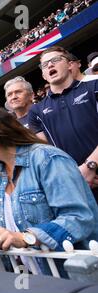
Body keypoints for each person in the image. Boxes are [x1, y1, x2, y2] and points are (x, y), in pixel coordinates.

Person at [0, 107, 98, 274]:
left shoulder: (48, 159)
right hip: (28, 275)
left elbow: (78, 217)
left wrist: (26, 237)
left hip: (72, 273)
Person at [28, 46, 98, 202]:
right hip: (76, 185)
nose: (50, 65)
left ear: (69, 64)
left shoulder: (95, 87)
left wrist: (90, 166)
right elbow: (46, 154)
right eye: (45, 65)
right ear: (44, 75)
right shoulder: (36, 111)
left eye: (55, 60)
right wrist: (74, 175)